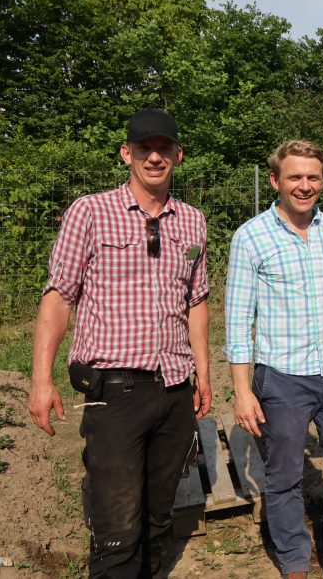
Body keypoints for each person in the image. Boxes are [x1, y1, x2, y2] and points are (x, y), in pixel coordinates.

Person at [27, 108, 212, 578]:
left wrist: (204, 374)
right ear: (126, 154)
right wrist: (41, 379)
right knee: (117, 528)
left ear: (179, 155)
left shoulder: (192, 221)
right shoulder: (90, 212)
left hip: (174, 389)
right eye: (145, 148)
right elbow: (59, 296)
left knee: (158, 518)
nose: (155, 157)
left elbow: (196, 302)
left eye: (164, 148)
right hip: (115, 393)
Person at [223, 140, 323, 579]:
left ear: (322, 182)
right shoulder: (251, 237)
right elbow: (237, 323)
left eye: (313, 177)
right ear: (275, 181)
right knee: (285, 476)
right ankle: (295, 560)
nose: (304, 185)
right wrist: (242, 392)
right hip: (282, 378)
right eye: (294, 176)